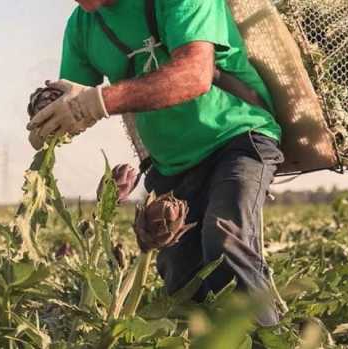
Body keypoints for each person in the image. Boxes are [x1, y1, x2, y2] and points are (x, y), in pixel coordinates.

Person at [26, 0, 284, 326]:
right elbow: (72, 100)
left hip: (238, 135)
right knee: (181, 279)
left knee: (224, 241)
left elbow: (195, 74)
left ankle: (269, 340)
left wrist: (98, 102)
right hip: (171, 164)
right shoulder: (82, 27)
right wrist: (46, 121)